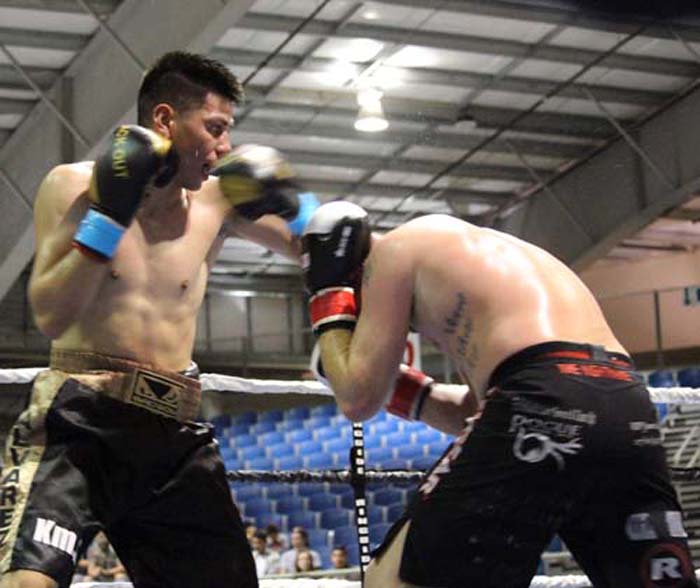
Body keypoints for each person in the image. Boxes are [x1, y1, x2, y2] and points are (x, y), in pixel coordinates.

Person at [0, 51, 317, 588]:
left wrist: (299, 206)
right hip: (81, 422)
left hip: (175, 435)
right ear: (166, 119)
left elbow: (323, 247)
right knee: (28, 583)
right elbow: (51, 315)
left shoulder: (218, 200)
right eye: (214, 128)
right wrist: (110, 214)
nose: (225, 146)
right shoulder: (73, 186)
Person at [302, 201, 698, 588]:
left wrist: (327, 297)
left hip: (539, 395)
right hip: (625, 402)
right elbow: (483, 415)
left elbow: (357, 398)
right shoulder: (487, 266)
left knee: (390, 579)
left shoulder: (392, 252)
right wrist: (403, 391)